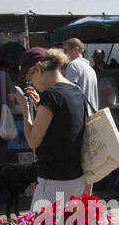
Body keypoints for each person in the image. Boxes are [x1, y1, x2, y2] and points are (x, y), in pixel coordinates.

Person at [13, 47, 87, 212]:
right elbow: (62, 126)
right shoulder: (76, 90)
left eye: (30, 78)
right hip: (76, 179)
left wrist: (26, 110)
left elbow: (33, 141)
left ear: (38, 70)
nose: (31, 83)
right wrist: (40, 106)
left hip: (53, 180)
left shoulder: (51, 95)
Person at [61, 36, 99, 113]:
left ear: (76, 49)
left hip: (80, 117)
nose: (64, 54)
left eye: (66, 50)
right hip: (92, 116)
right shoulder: (90, 69)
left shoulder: (73, 65)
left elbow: (69, 94)